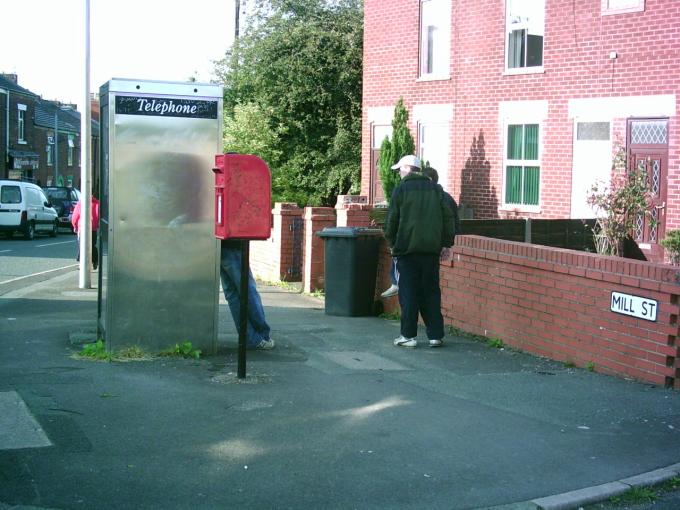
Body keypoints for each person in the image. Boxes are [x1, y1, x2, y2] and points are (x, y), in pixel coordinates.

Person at [384, 155, 454, 348]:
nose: (398, 172)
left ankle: (408, 335)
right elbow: (448, 218)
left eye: (400, 169)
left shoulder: (401, 190)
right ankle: (435, 335)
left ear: (408, 169)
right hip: (431, 250)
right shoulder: (436, 189)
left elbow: (392, 220)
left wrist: (391, 243)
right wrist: (447, 244)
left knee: (408, 293)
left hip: (406, 250)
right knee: (431, 292)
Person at [220, 240, 275, 350]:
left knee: (232, 296)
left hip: (219, 246)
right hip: (234, 245)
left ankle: (250, 338)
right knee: (247, 290)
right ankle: (262, 336)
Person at [422, 166, 461, 248]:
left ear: (429, 179)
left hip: (436, 243)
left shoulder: (440, 198)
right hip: (441, 243)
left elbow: (452, 221)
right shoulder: (447, 197)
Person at [71, 195, 100, 270]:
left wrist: (75, 226)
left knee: (82, 245)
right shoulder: (97, 203)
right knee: (92, 245)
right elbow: (99, 215)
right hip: (93, 228)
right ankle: (95, 260)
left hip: (82, 227)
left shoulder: (80, 203)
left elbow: (75, 216)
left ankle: (81, 263)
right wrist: (97, 225)